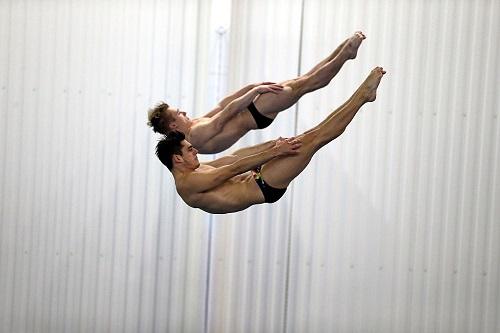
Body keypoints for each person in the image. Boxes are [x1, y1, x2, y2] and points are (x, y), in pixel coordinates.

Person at [155, 67, 385, 214]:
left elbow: (234, 158)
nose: (195, 151)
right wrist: (275, 152)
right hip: (263, 186)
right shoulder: (188, 184)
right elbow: (232, 169)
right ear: (177, 159)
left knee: (310, 136)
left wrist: (271, 145)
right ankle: (363, 96)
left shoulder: (196, 169)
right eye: (189, 150)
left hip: (259, 174)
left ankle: (362, 94)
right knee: (316, 138)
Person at [148, 32, 367, 154]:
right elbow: (227, 114)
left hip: (253, 111)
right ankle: (346, 54)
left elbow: (224, 103)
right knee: (306, 84)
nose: (184, 111)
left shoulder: (194, 123)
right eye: (179, 112)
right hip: (254, 113)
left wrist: (253, 85)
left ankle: (343, 50)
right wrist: (256, 90)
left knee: (302, 80)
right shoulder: (194, 136)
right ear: (173, 125)